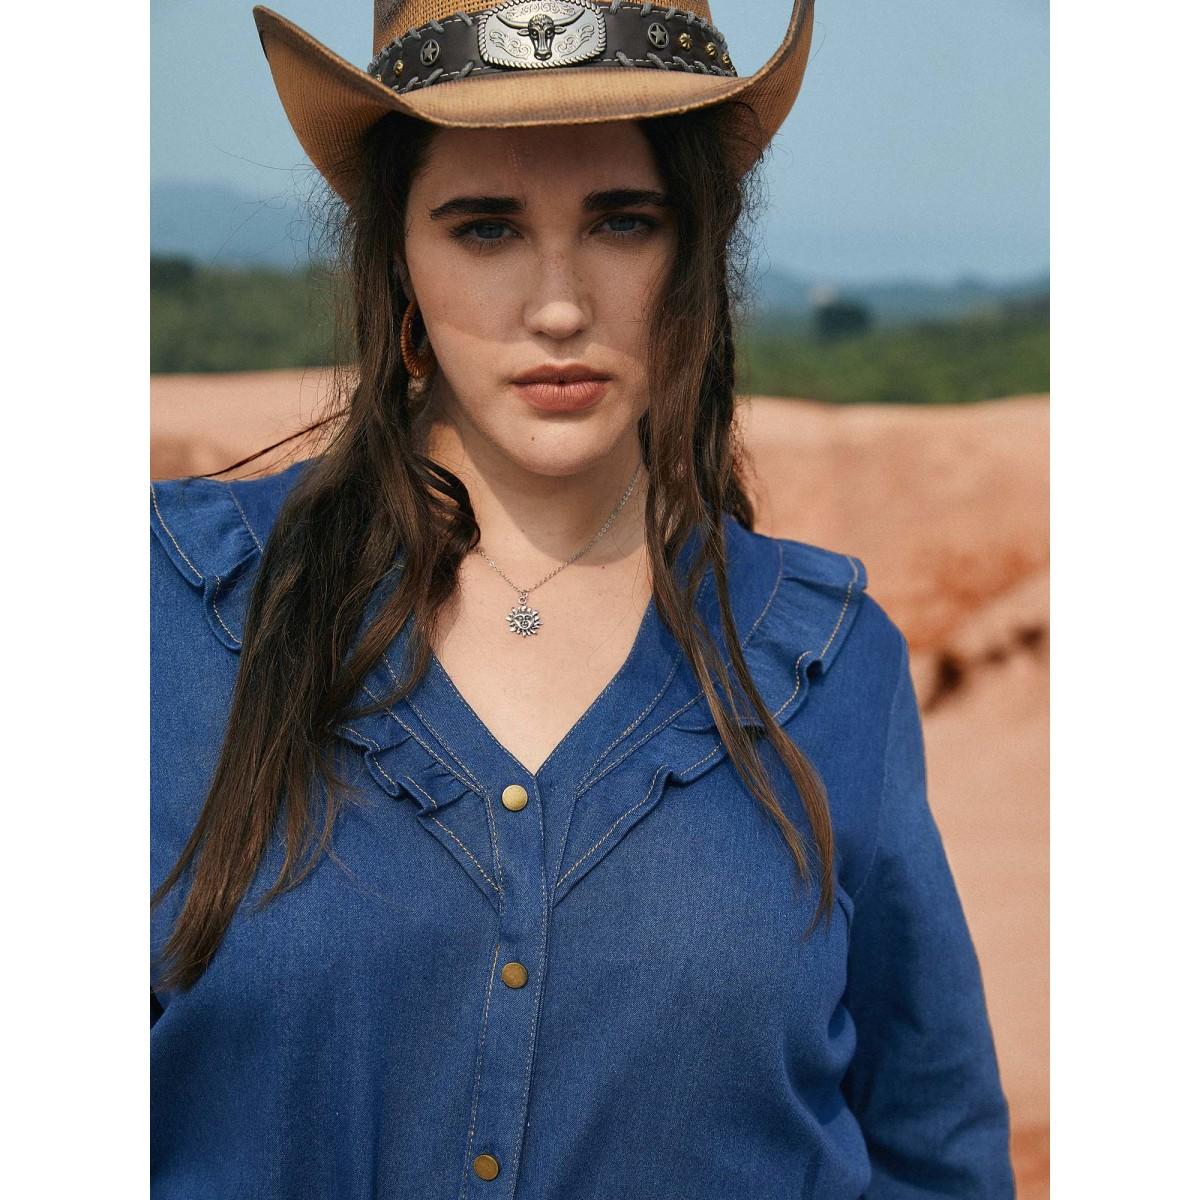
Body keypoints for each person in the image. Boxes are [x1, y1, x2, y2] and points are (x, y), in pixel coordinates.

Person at [150, 2, 1015, 1196]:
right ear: (397, 255)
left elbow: (933, 1148)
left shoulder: (829, 666)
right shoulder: (168, 617)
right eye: (486, 227)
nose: (558, 306)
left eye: (622, 222)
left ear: (696, 247)